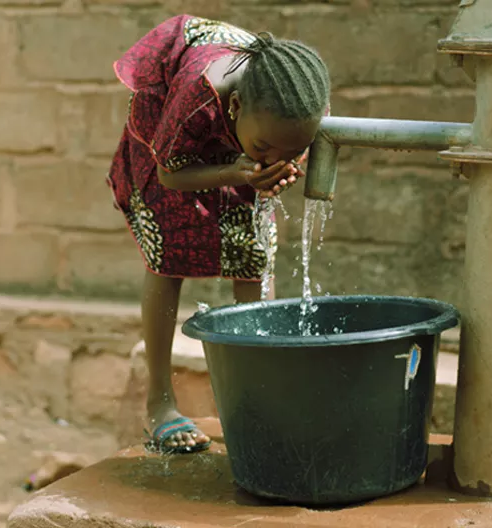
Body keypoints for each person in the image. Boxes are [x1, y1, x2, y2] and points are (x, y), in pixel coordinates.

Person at [106, 15, 332, 454]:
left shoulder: (301, 106)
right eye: (266, 149)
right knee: (167, 255)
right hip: (166, 133)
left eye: (291, 151)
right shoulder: (198, 92)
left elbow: (280, 147)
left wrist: (277, 167)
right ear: (236, 107)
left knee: (254, 255)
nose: (274, 158)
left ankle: (256, 401)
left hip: (238, 140)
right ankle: (159, 402)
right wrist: (233, 171)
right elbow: (170, 174)